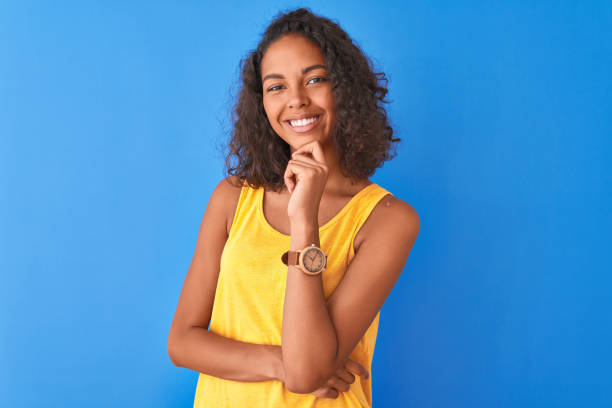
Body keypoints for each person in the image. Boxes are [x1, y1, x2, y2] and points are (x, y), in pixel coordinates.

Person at [167, 7, 420, 407]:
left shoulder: (387, 219)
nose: (297, 101)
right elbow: (182, 342)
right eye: (276, 87)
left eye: (315, 79)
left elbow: (306, 377)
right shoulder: (232, 197)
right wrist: (279, 362)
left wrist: (305, 220)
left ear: (345, 88)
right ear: (262, 103)